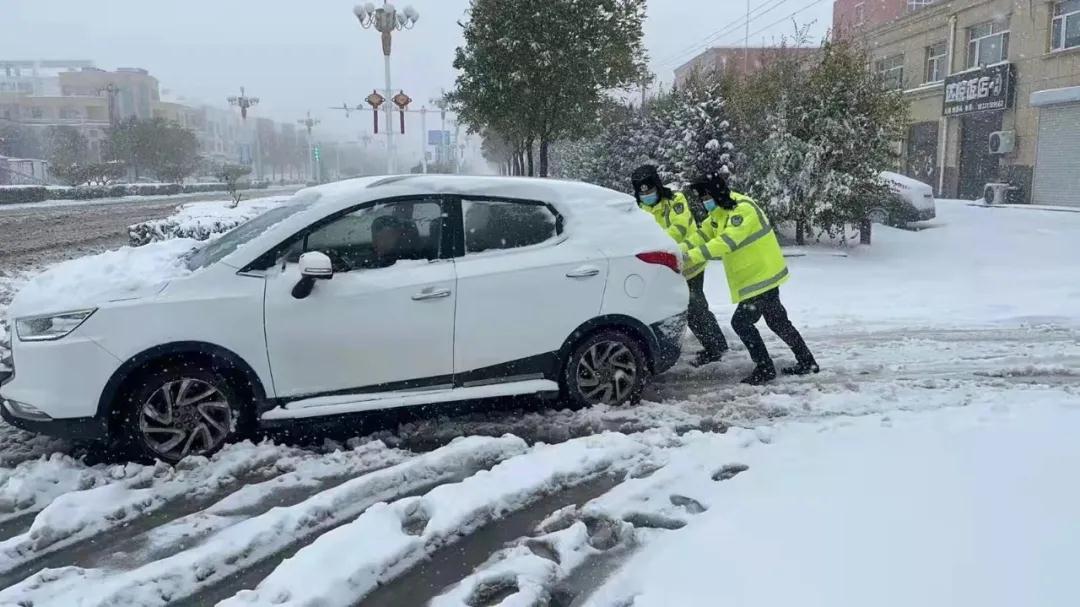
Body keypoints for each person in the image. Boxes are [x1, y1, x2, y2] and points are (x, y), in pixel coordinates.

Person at [683, 173, 819, 385]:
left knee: (741, 323)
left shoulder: (742, 209)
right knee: (777, 321)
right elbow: (701, 236)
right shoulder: (720, 213)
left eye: (707, 196)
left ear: (718, 192)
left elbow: (727, 241)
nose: (704, 201)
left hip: (761, 277)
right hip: (757, 277)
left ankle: (765, 368)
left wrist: (689, 256)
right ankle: (807, 362)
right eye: (701, 198)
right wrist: (676, 249)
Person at [630, 164, 729, 367]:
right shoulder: (639, 209)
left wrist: (657, 244)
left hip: (689, 262)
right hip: (663, 268)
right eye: (643, 193)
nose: (647, 195)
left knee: (696, 307)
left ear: (657, 186)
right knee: (675, 309)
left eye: (650, 190)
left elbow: (680, 227)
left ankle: (716, 347)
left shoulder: (675, 200)